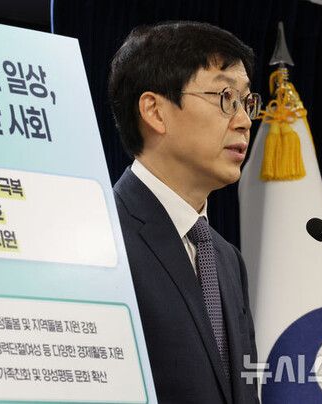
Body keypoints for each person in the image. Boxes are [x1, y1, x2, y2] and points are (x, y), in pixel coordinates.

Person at [109, 21, 260, 403]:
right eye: (225, 97)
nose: (244, 121)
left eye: (246, 102)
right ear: (155, 111)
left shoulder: (226, 258)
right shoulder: (103, 236)